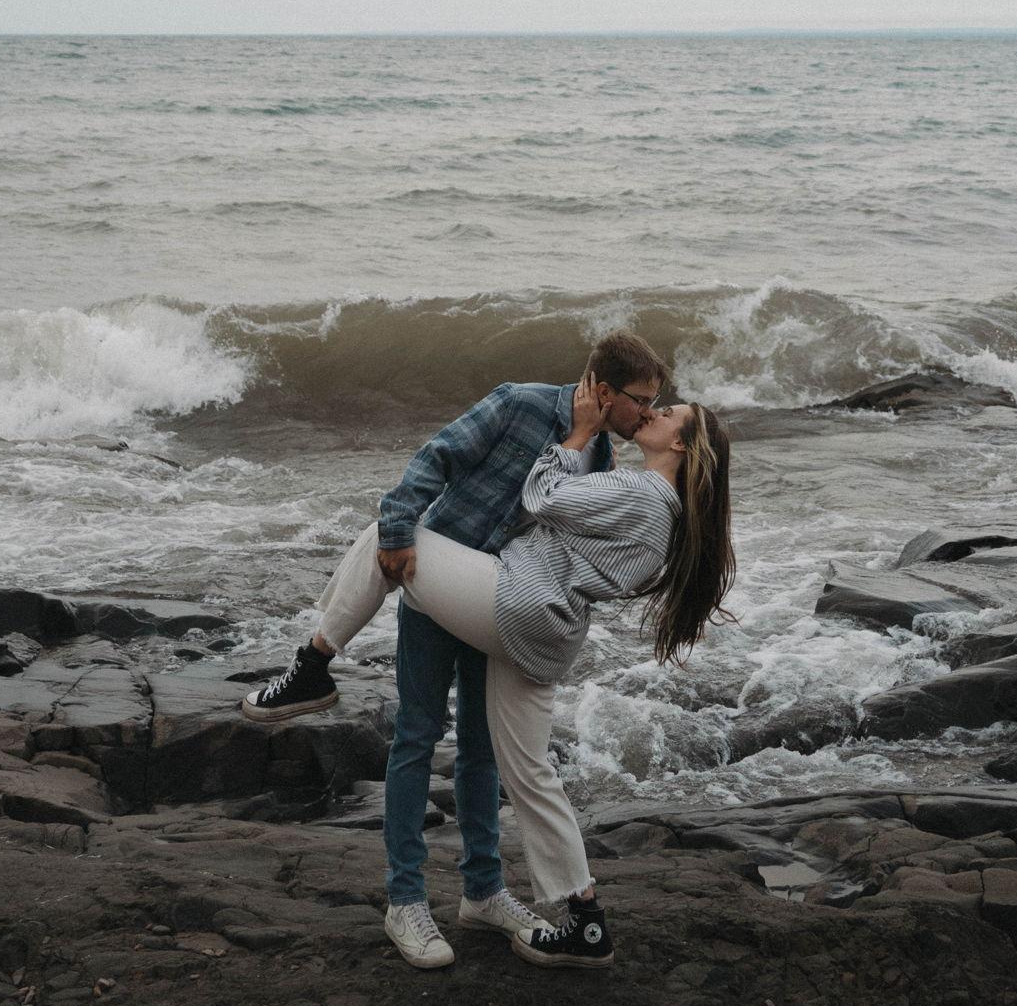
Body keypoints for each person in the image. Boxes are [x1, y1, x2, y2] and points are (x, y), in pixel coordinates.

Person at [247, 372, 735, 973]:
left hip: (512, 603)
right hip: (547, 632)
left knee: (389, 534)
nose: (654, 413)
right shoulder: (659, 504)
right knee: (529, 771)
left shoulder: (642, 491)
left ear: (680, 444)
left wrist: (576, 435)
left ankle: (313, 665)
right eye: (649, 402)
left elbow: (543, 495)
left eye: (666, 413)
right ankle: (584, 922)